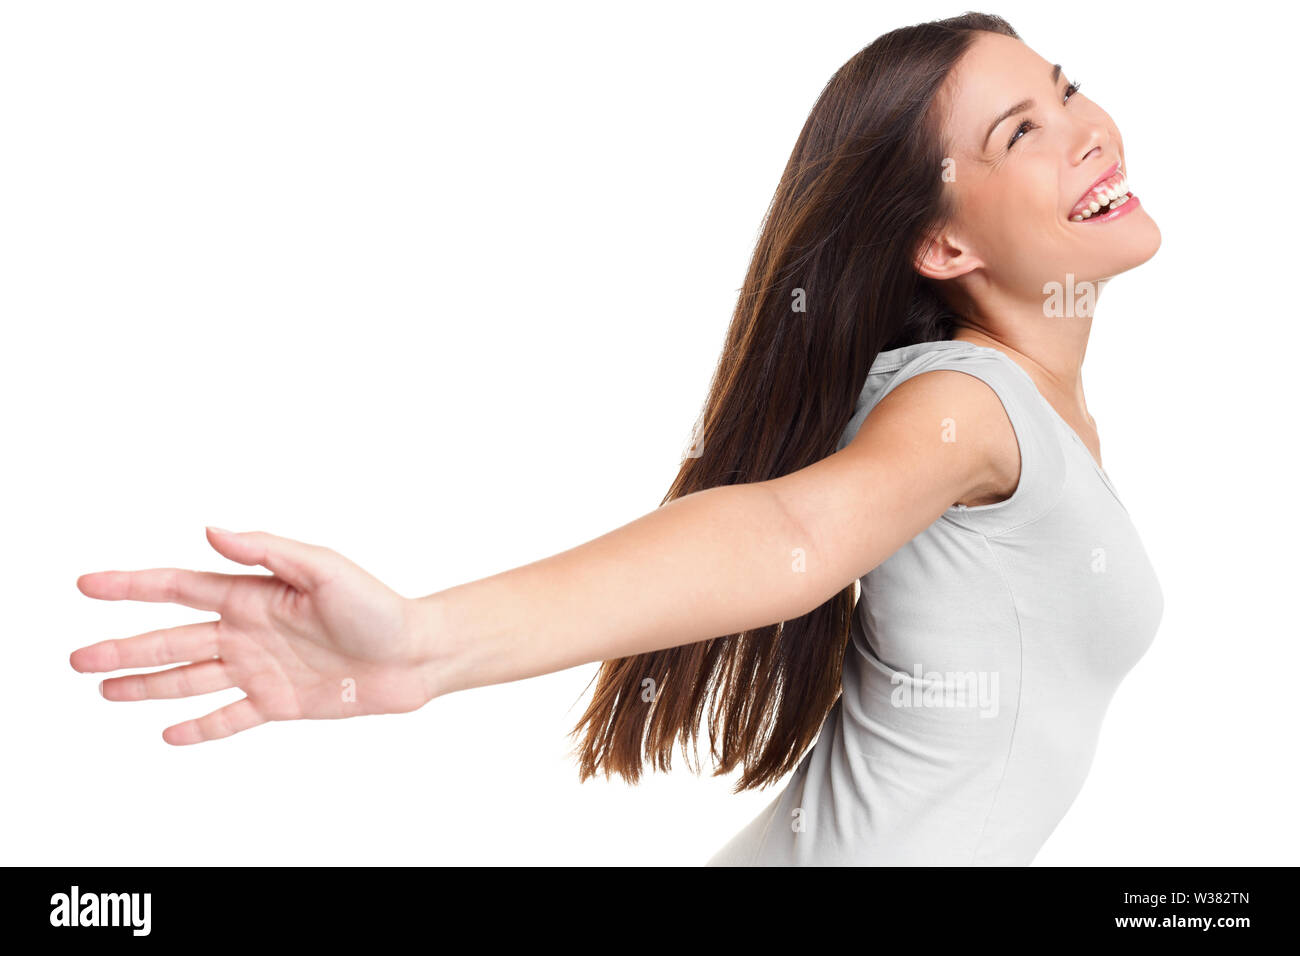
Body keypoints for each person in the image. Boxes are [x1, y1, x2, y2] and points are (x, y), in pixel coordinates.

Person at [70, 12, 1164, 865]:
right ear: (939, 241)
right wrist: (420, 640)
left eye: (1064, 90)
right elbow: (790, 527)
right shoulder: (966, 408)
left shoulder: (1033, 411)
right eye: (1022, 131)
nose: (1086, 129)